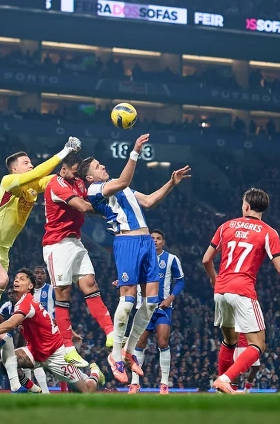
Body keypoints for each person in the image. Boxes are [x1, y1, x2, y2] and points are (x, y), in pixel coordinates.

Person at [83, 134, 192, 382]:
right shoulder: (95, 190)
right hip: (127, 243)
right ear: (89, 177)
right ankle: (115, 355)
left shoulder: (124, 189)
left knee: (152, 302)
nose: (102, 166)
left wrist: (171, 182)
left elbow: (150, 201)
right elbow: (123, 180)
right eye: (97, 166)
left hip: (146, 243)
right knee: (128, 301)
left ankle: (128, 351)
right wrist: (134, 152)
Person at [0, 136, 82, 368]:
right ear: (15, 169)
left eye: (31, 162)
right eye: (26, 162)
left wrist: (75, 169)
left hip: (3, 252)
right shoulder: (8, 181)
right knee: (1, 280)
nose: (30, 165)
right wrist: (63, 151)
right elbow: (36, 174)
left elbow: (51, 179)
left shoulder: (31, 189)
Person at [202, 186, 280, 395]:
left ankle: (223, 390)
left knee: (229, 342)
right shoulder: (268, 232)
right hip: (242, 290)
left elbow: (206, 259)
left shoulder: (226, 226)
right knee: (258, 345)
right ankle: (224, 380)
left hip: (221, 290)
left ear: (246, 206)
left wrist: (214, 279)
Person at [42, 150, 115, 366]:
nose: (77, 177)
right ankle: (68, 348)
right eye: (74, 173)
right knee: (63, 293)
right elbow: (83, 207)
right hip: (57, 245)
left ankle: (111, 332)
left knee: (90, 284)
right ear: (63, 169)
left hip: (75, 241)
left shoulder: (79, 182)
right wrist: (108, 210)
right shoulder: (56, 185)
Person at [0, 269, 100, 393]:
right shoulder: (20, 303)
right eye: (16, 278)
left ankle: (95, 373)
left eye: (22, 279)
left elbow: (11, 324)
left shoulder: (26, 302)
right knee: (7, 362)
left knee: (85, 391)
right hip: (35, 352)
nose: (16, 281)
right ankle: (35, 390)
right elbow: (48, 322)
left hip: (56, 354)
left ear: (30, 286)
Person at [129, 229, 185, 394]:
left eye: (158, 238)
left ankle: (164, 383)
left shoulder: (171, 259)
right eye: (152, 238)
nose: (154, 240)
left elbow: (181, 281)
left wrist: (170, 299)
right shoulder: (141, 258)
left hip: (162, 308)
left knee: (163, 343)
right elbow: (132, 276)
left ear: (163, 242)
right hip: (144, 307)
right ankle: (134, 383)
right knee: (140, 344)